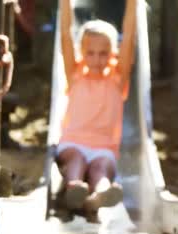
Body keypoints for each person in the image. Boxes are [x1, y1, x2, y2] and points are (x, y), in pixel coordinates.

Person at [56, 0, 137, 214]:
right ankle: (74, 187)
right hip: (73, 142)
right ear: (82, 52)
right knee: (77, 160)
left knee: (100, 168)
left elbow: (129, 36)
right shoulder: (74, 75)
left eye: (103, 53)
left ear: (113, 53)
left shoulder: (117, 80)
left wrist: (133, 4)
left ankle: (101, 194)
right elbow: (65, 34)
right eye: (90, 53)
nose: (96, 59)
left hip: (103, 147)